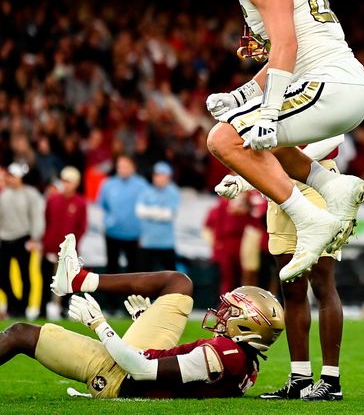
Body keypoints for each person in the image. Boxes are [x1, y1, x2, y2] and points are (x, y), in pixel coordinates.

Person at [203, 0, 364, 282]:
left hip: (328, 85)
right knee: (260, 141)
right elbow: (293, 48)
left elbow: (287, 45)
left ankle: (310, 219)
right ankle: (330, 189)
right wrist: (242, 95)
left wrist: (269, 109)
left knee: (224, 140)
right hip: (340, 83)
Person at [0, 234, 284, 398]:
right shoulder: (247, 364)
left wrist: (100, 325)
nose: (222, 314)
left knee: (20, 334)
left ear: (249, 323)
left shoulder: (225, 354)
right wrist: (146, 321)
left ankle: (79, 279)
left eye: (231, 311)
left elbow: (142, 370)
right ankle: (79, 279)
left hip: (119, 376)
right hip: (144, 361)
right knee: (179, 284)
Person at [215, 136, 346, 401]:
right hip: (278, 186)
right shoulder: (268, 102)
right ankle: (300, 379)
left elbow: (336, 132)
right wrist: (243, 180)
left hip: (318, 181)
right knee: (292, 287)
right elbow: (263, 153)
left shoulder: (311, 94)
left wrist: (283, 165)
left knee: (322, 283)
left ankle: (331, 379)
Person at [41, 166, 87, 320]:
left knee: (68, 282)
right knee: (46, 278)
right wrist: (46, 242)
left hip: (69, 251)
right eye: (64, 181)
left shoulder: (80, 203)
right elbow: (47, 221)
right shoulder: (52, 199)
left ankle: (66, 311)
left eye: (69, 181)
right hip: (50, 247)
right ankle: (42, 309)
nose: (65, 184)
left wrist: (72, 246)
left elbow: (81, 227)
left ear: (76, 183)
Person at [0, 163, 45, 318]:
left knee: (25, 275)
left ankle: (22, 307)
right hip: (4, 240)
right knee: (2, 276)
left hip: (23, 239)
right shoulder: (3, 194)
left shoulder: (30, 194)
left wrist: (35, 237)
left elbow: (37, 217)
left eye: (13, 176)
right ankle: (14, 303)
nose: (10, 179)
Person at [97, 156, 149, 278]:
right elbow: (103, 205)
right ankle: (111, 297)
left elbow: (147, 208)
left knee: (134, 270)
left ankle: (131, 297)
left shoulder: (141, 185)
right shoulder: (108, 184)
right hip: (112, 233)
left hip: (134, 235)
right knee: (111, 269)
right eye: (120, 166)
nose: (122, 169)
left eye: (126, 166)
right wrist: (110, 221)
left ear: (133, 167)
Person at [135, 162, 181, 272]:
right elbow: (139, 212)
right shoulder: (146, 191)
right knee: (143, 277)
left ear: (168, 177)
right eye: (156, 175)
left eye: (162, 175)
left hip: (166, 243)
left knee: (171, 277)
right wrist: (160, 212)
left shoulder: (173, 192)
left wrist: (150, 212)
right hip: (147, 243)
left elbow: (169, 215)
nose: (159, 178)